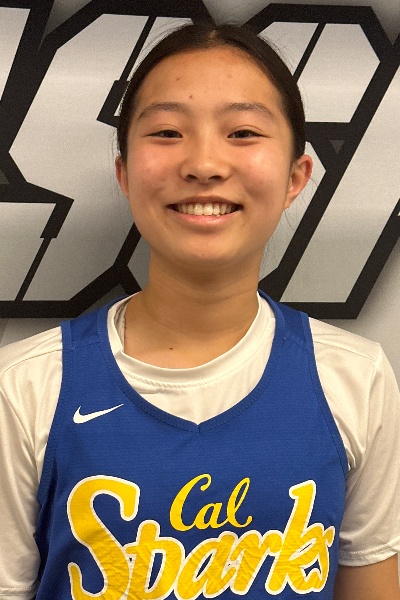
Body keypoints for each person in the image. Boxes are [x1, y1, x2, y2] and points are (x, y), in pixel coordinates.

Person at [0, 22, 399, 600]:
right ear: (125, 172)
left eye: (243, 132)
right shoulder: (26, 387)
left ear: (296, 177)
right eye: (167, 132)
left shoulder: (357, 378)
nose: (204, 163)